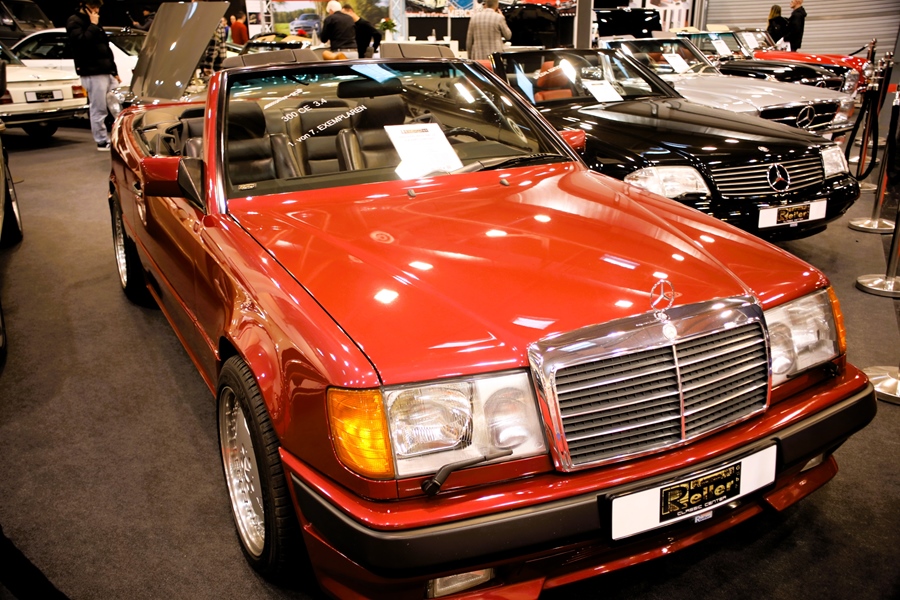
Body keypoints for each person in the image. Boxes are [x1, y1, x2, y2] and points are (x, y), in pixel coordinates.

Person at [66, 0, 120, 152]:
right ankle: (101, 141)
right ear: (83, 6)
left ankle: (119, 137)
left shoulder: (93, 21)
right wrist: (93, 25)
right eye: (92, 7)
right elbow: (80, 43)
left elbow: (106, 48)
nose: (96, 10)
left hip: (106, 70)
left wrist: (114, 71)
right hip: (92, 71)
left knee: (117, 106)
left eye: (97, 7)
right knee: (99, 108)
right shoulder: (74, 21)